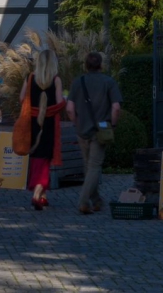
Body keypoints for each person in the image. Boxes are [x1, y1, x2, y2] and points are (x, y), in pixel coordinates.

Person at [68, 51, 123, 215]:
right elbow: (116, 107)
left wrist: (77, 124)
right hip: (101, 130)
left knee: (88, 167)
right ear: (100, 65)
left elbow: (69, 109)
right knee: (94, 167)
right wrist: (112, 124)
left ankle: (97, 200)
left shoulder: (78, 82)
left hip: (82, 130)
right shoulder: (109, 82)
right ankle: (83, 201)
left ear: (86, 65)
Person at [16, 49, 66, 210]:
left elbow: (22, 98)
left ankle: (43, 196)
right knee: (45, 160)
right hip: (49, 124)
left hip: (32, 123)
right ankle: (37, 194)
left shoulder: (30, 78)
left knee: (37, 157)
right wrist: (66, 100)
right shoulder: (56, 80)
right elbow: (58, 103)